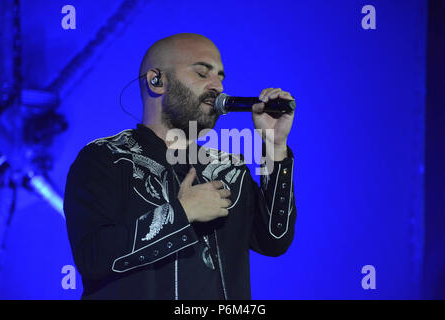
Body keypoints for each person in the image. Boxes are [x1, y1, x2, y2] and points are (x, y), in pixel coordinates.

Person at [63, 33, 297, 300]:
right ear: (156, 80)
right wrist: (181, 214)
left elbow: (274, 239)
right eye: (202, 73)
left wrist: (275, 146)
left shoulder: (228, 169)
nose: (218, 86)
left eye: (221, 76)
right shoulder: (106, 158)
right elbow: (93, 258)